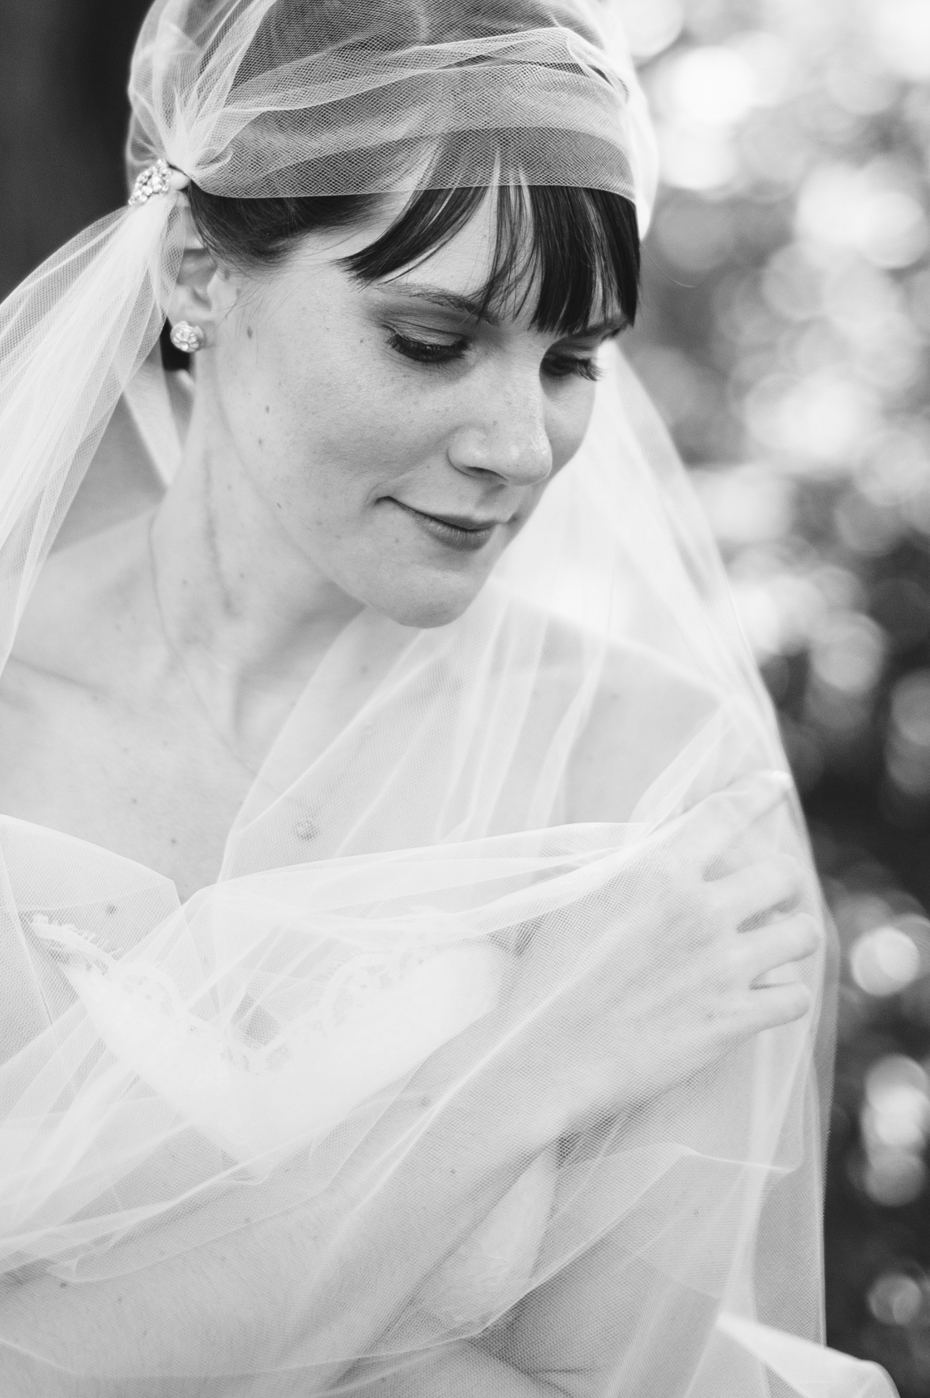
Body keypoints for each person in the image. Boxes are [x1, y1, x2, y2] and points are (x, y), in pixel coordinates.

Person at [0, 1, 898, 1394]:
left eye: (569, 360)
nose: (519, 444)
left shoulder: (660, 782)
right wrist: (531, 1059)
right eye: (431, 339)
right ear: (196, 273)